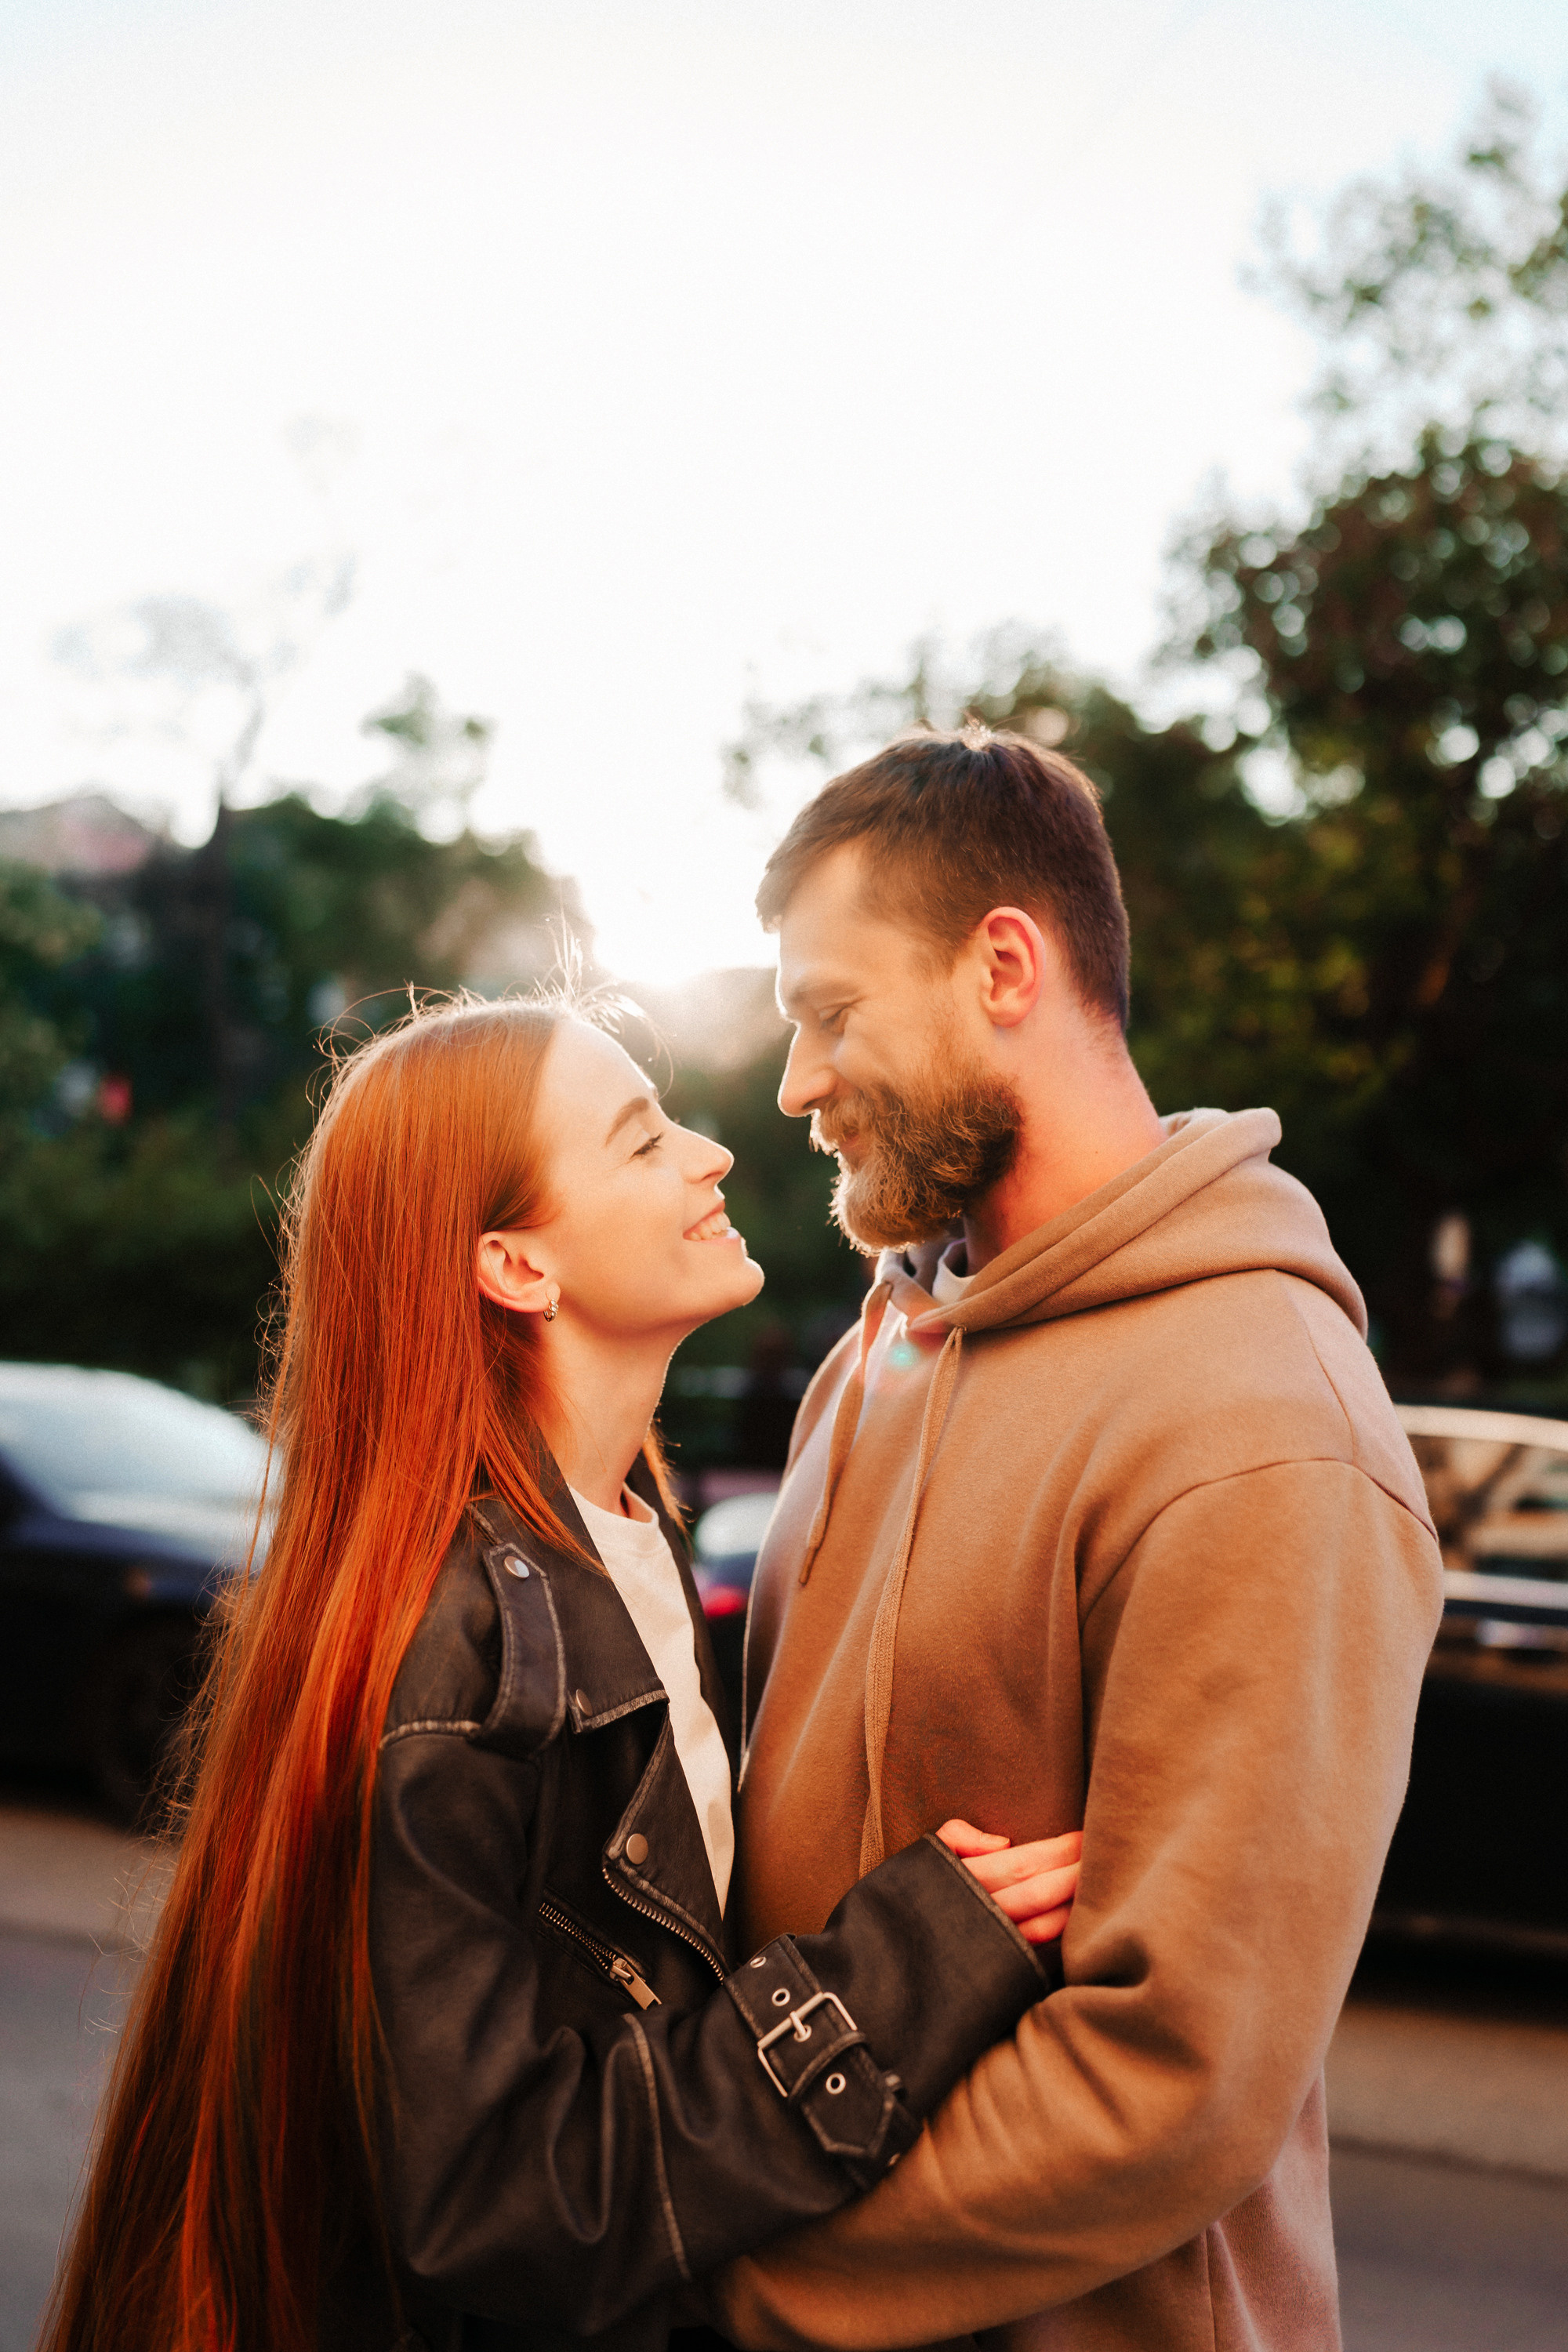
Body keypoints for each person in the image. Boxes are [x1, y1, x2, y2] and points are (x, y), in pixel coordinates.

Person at [41, 996, 1084, 2352]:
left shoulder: (618, 1543)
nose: (711, 1152)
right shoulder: (467, 1642)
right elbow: (503, 2197)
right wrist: (892, 1976)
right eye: (642, 1140)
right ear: (517, 1268)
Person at [705, 726, 1446, 2352]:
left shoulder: (1264, 1429)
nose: (795, 1084)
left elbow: (1169, 2075)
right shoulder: (877, 1349)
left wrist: (737, 2285)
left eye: (831, 1014)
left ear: (1003, 966)